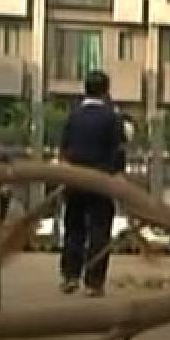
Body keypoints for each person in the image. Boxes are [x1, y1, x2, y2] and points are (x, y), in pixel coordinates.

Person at [59, 71, 123, 297]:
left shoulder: (73, 116)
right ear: (106, 90)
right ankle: (94, 282)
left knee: (74, 228)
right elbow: (117, 151)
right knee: (99, 231)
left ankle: (70, 276)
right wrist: (117, 174)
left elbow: (64, 149)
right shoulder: (112, 117)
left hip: (74, 180)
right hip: (101, 182)